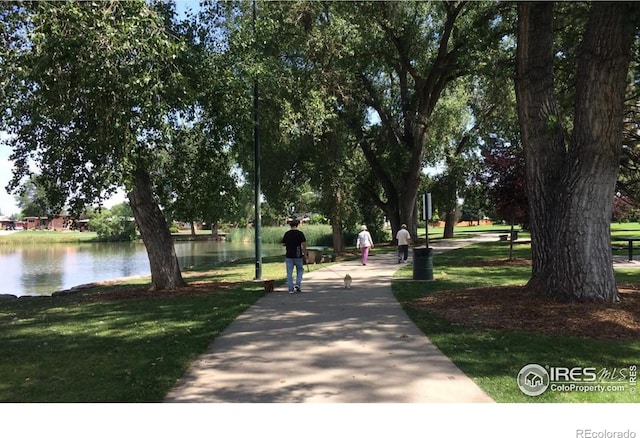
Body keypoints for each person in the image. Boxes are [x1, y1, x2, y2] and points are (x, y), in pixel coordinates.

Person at [282, 219, 307, 293]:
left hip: (289, 255)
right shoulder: (300, 234)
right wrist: (304, 253)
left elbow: (283, 243)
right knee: (300, 270)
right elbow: (303, 244)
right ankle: (298, 284)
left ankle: (290, 289)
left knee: (289, 272)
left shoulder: (287, 234)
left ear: (290, 226)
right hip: (298, 255)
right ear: (297, 225)